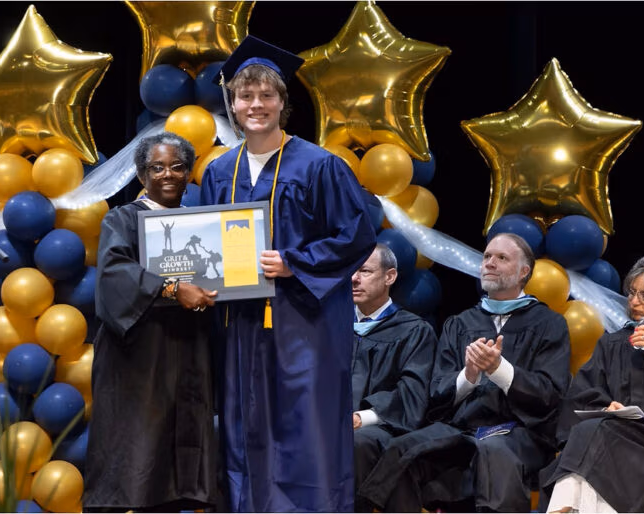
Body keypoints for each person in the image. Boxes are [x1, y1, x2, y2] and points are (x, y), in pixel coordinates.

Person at [199, 35, 377, 512]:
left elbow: (358, 234)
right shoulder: (219, 172)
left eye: (266, 95)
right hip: (242, 321)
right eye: (245, 96)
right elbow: (206, 242)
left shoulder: (321, 166)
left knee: (307, 427)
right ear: (232, 105)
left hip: (306, 323)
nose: (256, 104)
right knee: (245, 422)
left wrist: (294, 263)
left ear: (282, 102)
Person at [357, 233, 571, 513]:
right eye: (486, 257)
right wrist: (469, 376)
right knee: (403, 451)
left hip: (519, 431)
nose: (490, 263)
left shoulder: (549, 324)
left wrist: (499, 370)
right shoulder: (461, 323)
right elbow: (435, 394)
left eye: (501, 258)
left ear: (524, 272)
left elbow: (550, 394)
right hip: (461, 428)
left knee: (494, 452)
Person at [84, 132, 219, 512]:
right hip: (137, 354)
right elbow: (114, 275)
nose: (168, 175)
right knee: (132, 452)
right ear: (142, 173)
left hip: (187, 347)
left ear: (189, 172)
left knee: (176, 463)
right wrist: (174, 289)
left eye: (178, 167)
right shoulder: (123, 218)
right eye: (156, 167)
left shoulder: (199, 225)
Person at [539, 251, 644, 513]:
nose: (634, 301)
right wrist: (607, 410)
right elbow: (583, 394)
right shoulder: (612, 343)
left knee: (594, 437)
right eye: (631, 292)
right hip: (614, 433)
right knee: (594, 432)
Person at [350, 244, 437, 511]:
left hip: (384, 428)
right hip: (327, 423)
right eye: (351, 270)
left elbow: (412, 394)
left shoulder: (414, 331)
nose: (354, 278)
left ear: (390, 277)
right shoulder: (331, 327)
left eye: (365, 270)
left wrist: (360, 417)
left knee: (356, 442)